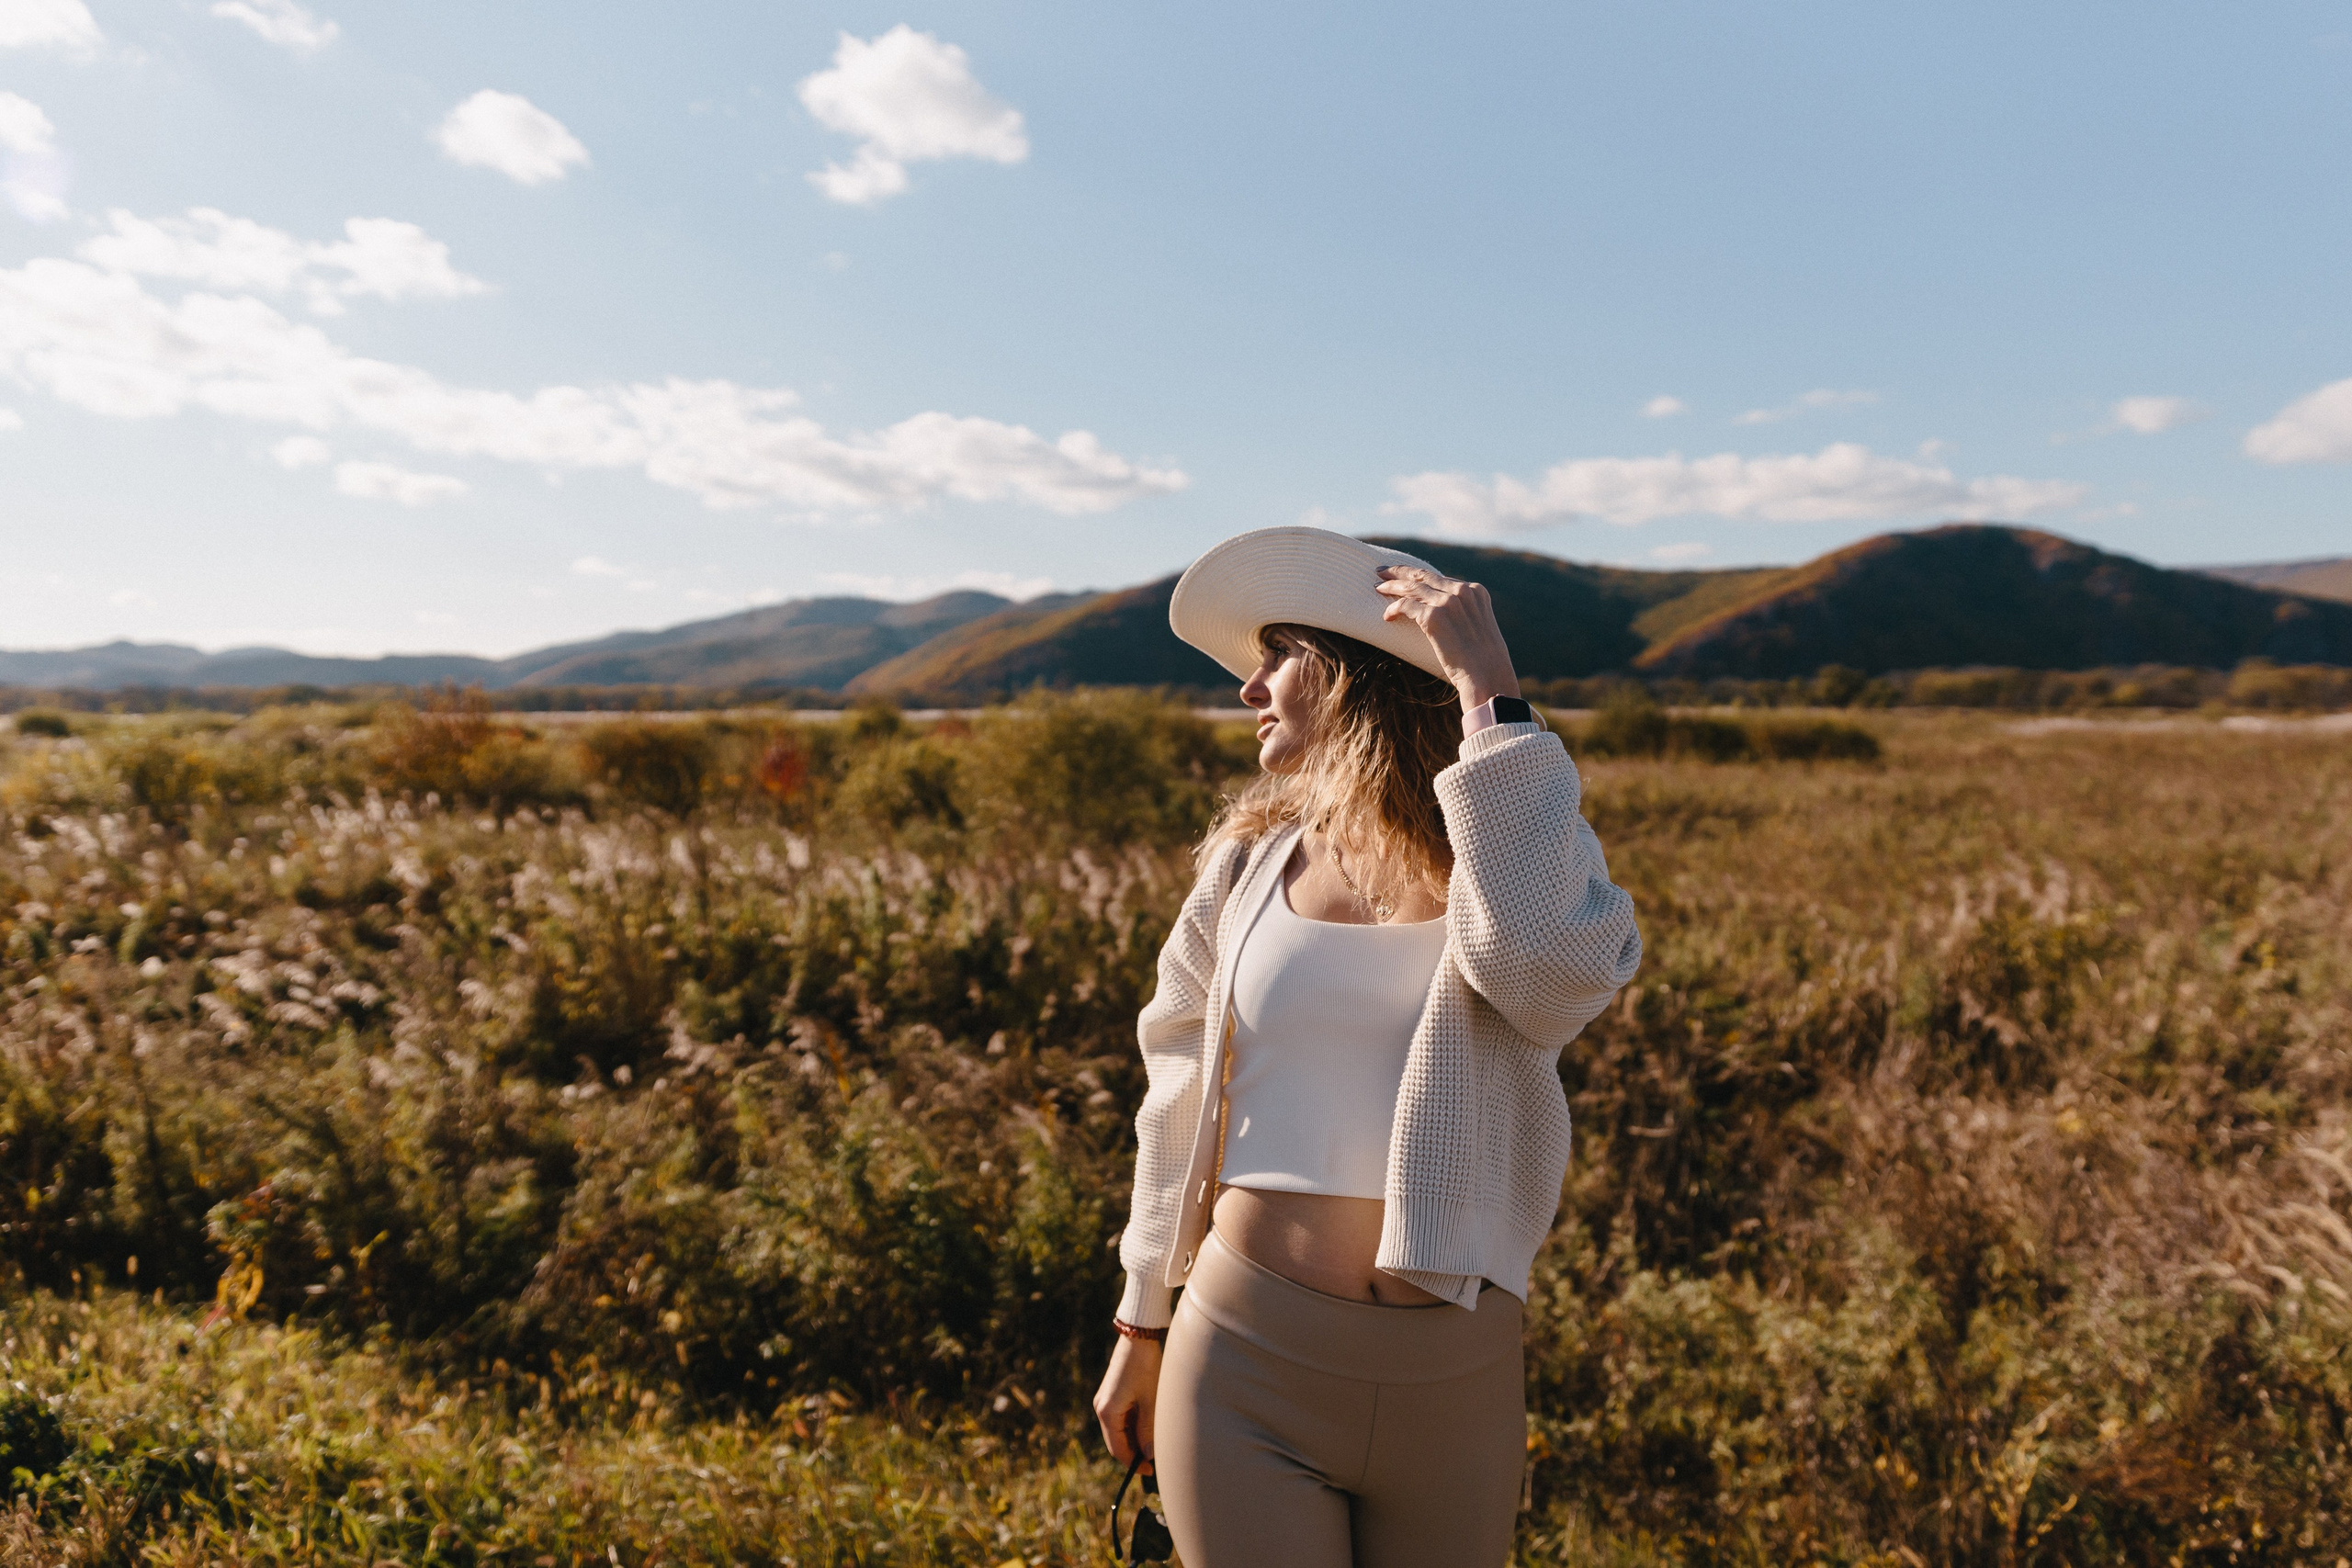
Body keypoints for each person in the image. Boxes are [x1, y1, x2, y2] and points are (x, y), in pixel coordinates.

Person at [1091, 525, 1644, 1566]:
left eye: (1277, 656)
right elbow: (1175, 1098)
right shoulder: (1246, 868)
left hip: (1455, 1373)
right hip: (1243, 1353)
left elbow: (1544, 976)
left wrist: (1488, 692)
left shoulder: (1518, 856)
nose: (1249, 689)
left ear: (1352, 673)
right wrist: (1140, 1322)